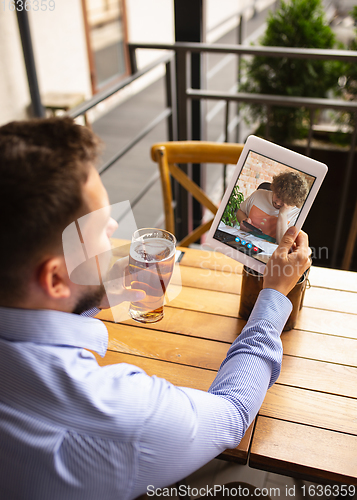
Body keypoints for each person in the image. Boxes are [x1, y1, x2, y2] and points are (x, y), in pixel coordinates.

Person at [0, 117, 310, 499]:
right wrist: (275, 294)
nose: (113, 224)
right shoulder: (121, 413)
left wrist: (98, 287)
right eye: (99, 226)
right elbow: (231, 414)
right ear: (54, 280)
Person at [236, 171, 309, 244]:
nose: (278, 203)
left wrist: (282, 214)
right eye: (278, 196)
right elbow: (240, 212)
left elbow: (282, 244)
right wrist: (243, 221)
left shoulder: (297, 214)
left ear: (293, 202)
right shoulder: (258, 194)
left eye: (284, 201)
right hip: (244, 242)